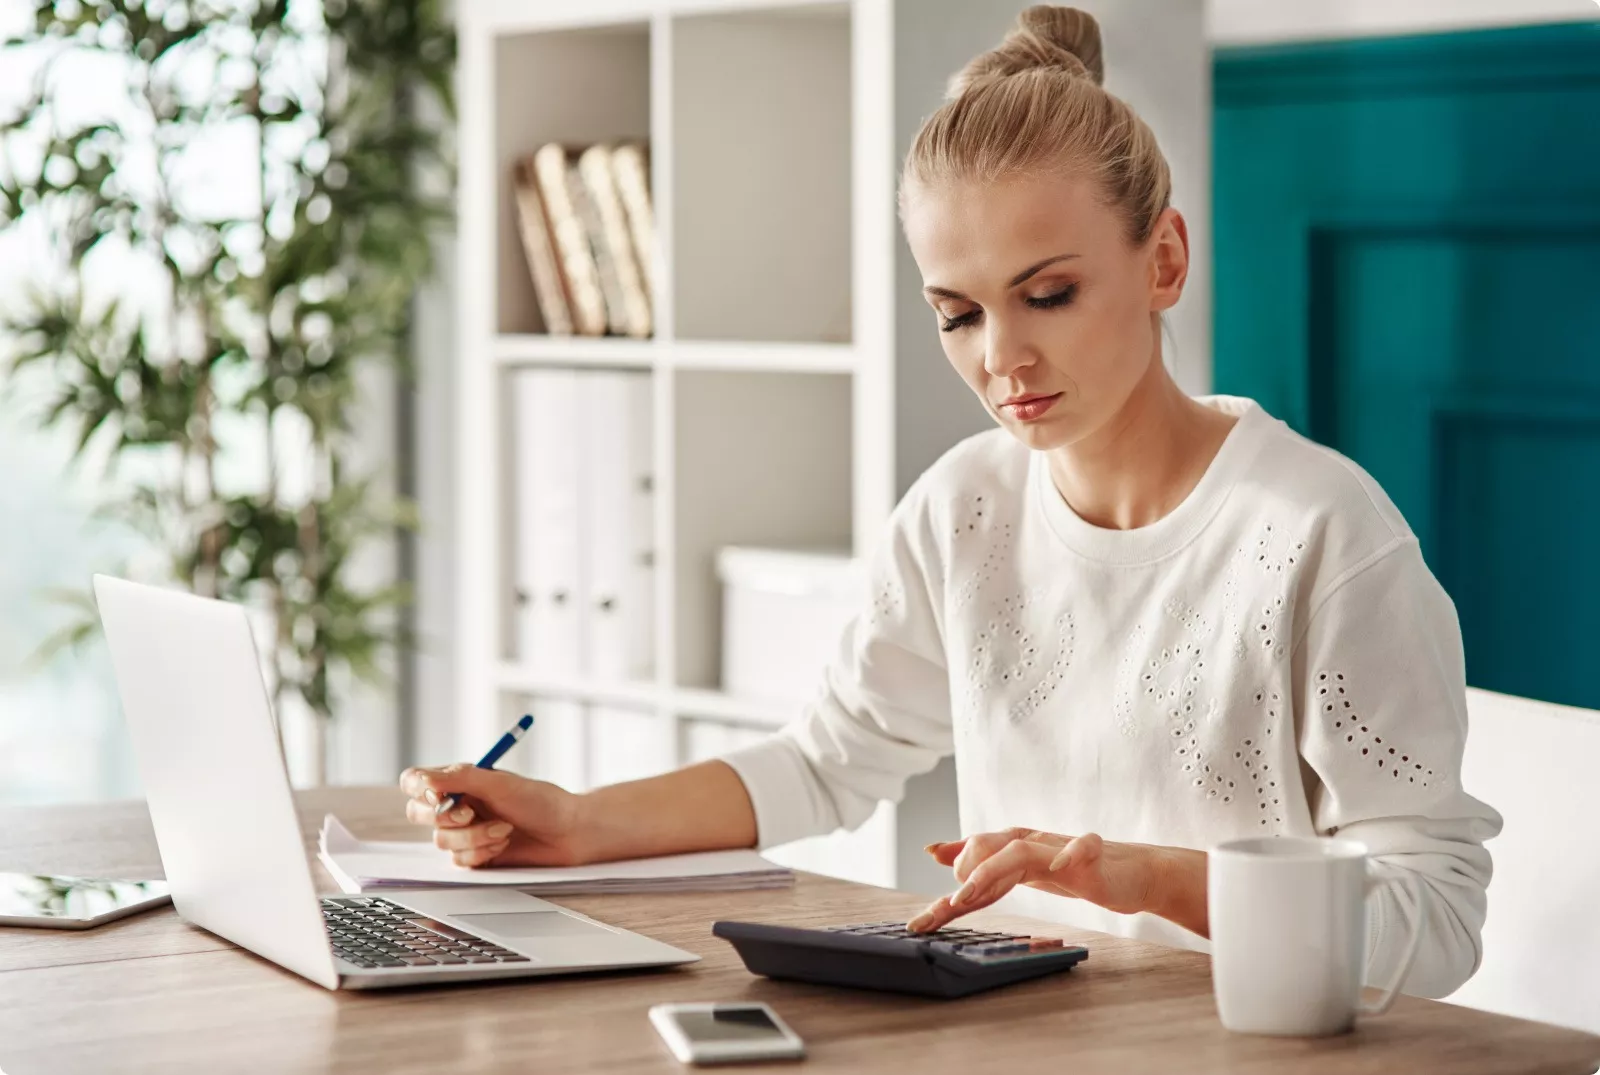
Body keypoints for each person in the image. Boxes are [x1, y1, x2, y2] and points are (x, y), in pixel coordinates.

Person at [401, 5, 1500, 998]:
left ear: (1162, 258)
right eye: (956, 313)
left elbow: (1436, 924)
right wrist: (578, 822)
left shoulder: (1320, 538)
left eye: (1049, 295)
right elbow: (830, 757)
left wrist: (1143, 877)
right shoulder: (962, 510)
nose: (1003, 357)